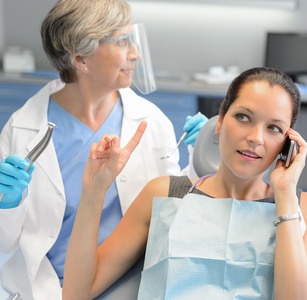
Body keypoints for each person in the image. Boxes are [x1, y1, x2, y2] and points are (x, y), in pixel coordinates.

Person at [0, 0, 207, 298]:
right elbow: (5, 247)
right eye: (122, 42)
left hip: (129, 281)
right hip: (46, 286)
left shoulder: (151, 121)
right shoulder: (22, 129)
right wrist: (7, 204)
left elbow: (170, 212)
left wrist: (201, 164)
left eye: (132, 40)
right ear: (81, 58)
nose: (135, 53)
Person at [63, 67, 307, 299]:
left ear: (288, 144)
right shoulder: (164, 194)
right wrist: (93, 191)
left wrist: (285, 196)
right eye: (244, 117)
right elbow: (78, 293)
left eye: (274, 128)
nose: (256, 137)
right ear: (220, 121)